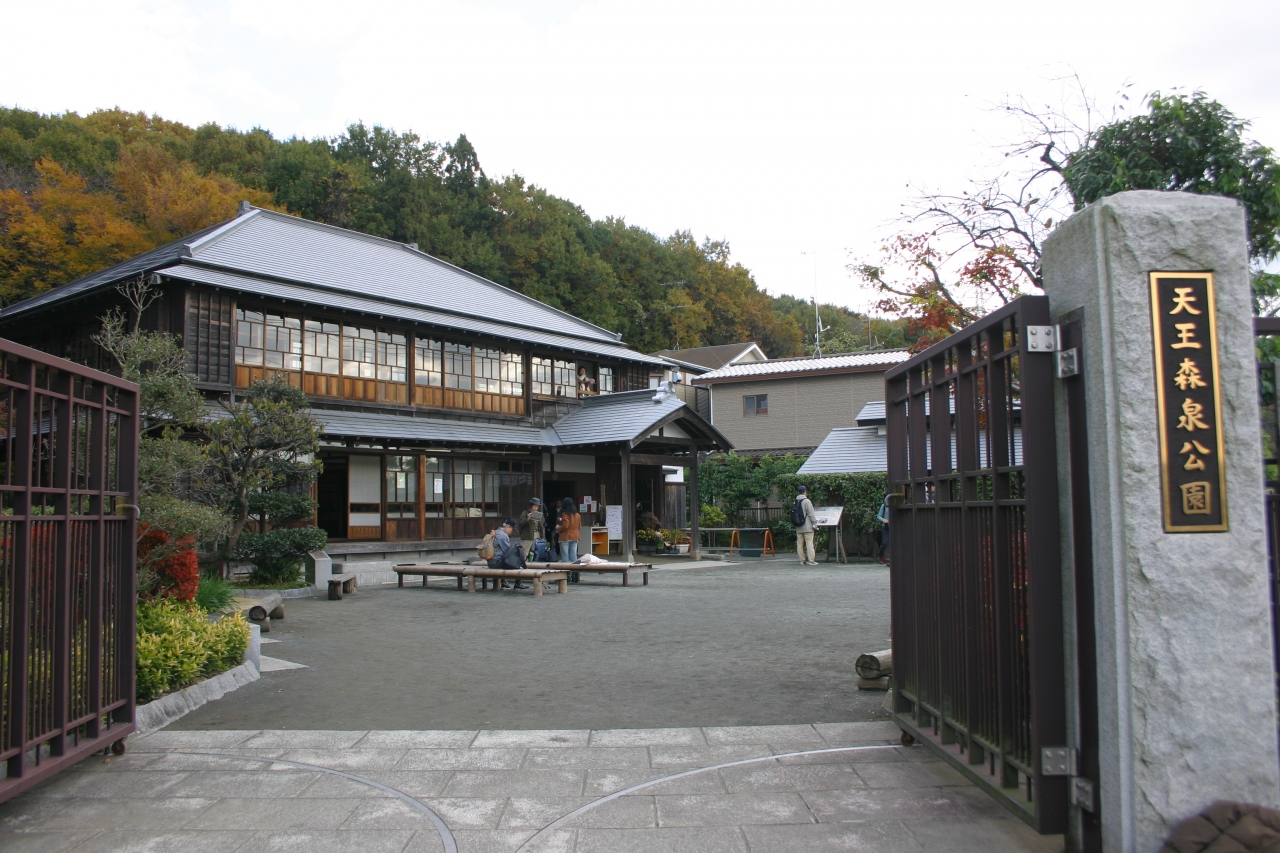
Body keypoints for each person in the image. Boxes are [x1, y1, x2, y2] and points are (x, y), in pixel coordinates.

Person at [490, 519, 528, 589]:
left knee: (505, 559)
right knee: (518, 563)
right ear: (507, 527)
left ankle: (504, 582)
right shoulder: (503, 535)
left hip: (491, 561)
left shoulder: (497, 532)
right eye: (512, 529)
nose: (512, 532)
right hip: (496, 562)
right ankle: (518, 583)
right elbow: (507, 551)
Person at [793, 485, 818, 566]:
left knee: (799, 544)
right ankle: (811, 560)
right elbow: (811, 513)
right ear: (805, 492)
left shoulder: (795, 501)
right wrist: (815, 524)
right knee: (809, 543)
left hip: (798, 526)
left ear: (798, 492)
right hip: (807, 526)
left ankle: (802, 560)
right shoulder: (807, 501)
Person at [556, 496, 582, 564]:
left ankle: (567, 574)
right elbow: (579, 527)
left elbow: (566, 525)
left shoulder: (565, 514)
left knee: (565, 557)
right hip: (575, 536)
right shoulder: (577, 515)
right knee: (574, 557)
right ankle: (575, 573)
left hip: (565, 536)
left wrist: (558, 528)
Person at [876, 494, 890, 565]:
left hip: (895, 527)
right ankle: (880, 555)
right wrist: (883, 520)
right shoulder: (884, 506)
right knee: (884, 542)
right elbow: (878, 516)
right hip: (886, 526)